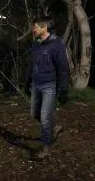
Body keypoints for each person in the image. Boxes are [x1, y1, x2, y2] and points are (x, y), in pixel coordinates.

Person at [25, 17, 69, 161]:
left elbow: (63, 68)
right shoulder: (36, 44)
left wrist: (63, 88)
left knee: (44, 116)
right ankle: (55, 127)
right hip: (36, 83)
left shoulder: (56, 45)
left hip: (49, 84)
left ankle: (44, 149)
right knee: (35, 113)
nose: (34, 29)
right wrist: (27, 82)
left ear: (44, 28)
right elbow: (31, 64)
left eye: (36, 27)